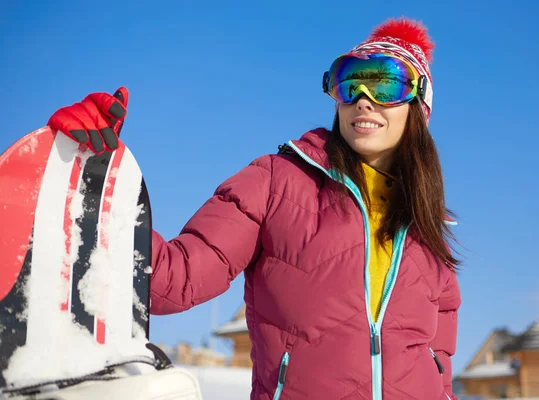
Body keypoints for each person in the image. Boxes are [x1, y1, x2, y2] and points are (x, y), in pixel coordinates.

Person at [47, 16, 461, 400]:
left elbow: (439, 371)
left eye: (386, 85)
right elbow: (174, 280)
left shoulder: (428, 230)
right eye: (349, 82)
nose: (363, 100)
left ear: (419, 107)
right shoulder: (275, 183)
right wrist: (93, 175)